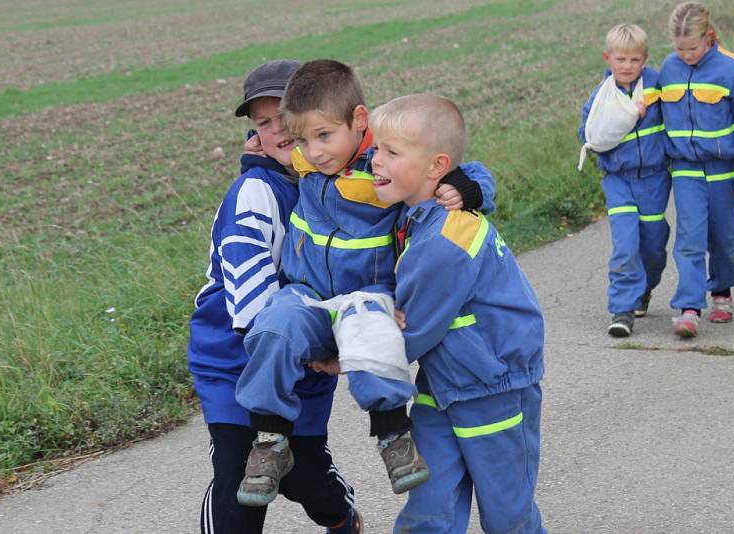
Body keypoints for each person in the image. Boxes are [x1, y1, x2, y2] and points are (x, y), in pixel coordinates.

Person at [234, 59, 495, 508]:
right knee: (273, 326)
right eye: (302, 140)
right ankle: (271, 438)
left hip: (368, 292)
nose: (313, 152)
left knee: (373, 329)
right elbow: (271, 150)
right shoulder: (305, 156)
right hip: (308, 294)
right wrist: (254, 149)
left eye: (323, 137)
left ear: (359, 121)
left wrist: (468, 189)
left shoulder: (382, 164)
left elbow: (457, 167)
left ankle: (392, 431)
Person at [187, 59, 362, 534]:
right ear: (254, 136)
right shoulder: (254, 193)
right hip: (235, 358)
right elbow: (250, 303)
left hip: (304, 359)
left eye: (285, 114)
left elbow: (419, 151)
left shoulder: (341, 180)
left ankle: (343, 519)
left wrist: (459, 185)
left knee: (304, 475)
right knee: (241, 485)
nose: (278, 129)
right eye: (263, 122)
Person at [366, 93, 546, 533]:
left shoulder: (444, 241)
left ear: (435, 166)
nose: (375, 160)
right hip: (441, 384)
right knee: (430, 507)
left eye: (391, 151)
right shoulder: (414, 214)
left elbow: (416, 329)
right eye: (375, 148)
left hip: (493, 386)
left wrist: (350, 355)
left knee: (508, 516)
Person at [660, 2, 734, 337]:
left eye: (692, 48)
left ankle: (721, 290)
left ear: (709, 37)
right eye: (679, 49)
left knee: (723, 237)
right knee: (689, 237)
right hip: (685, 169)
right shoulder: (668, 68)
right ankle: (689, 307)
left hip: (724, 170)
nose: (686, 56)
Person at [579, 24, 670, 337]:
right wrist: (622, 118)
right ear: (608, 58)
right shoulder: (601, 97)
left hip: (655, 180)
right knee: (625, 245)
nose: (627, 66)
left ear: (645, 59)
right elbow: (589, 134)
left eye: (634, 60)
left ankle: (644, 288)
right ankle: (622, 309)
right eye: (620, 60)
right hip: (618, 180)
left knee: (654, 245)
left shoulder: (656, 84)